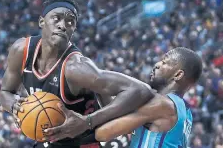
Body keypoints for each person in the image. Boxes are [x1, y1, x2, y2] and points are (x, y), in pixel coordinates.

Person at [0, 0, 153, 148]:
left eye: (70, 21)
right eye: (56, 18)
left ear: (73, 29)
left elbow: (141, 90)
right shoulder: (21, 51)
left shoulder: (76, 68)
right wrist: (14, 106)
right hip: (51, 140)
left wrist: (88, 121)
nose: (63, 25)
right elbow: (5, 92)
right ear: (41, 21)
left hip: (85, 140)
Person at [53, 47, 202, 147]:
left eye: (164, 62)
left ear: (178, 74)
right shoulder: (185, 112)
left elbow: (103, 133)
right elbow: (119, 120)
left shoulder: (162, 104)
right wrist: (98, 87)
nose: (157, 64)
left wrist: (67, 134)